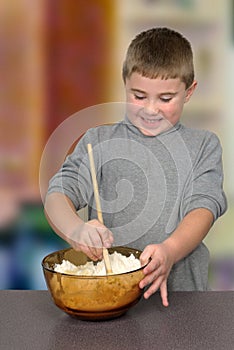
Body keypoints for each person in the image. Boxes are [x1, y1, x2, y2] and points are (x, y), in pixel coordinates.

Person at [44, 27, 227, 307]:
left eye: (166, 99)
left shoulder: (204, 145)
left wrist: (170, 250)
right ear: (125, 84)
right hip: (108, 300)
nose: (150, 109)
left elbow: (203, 208)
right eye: (139, 96)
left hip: (184, 301)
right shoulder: (98, 141)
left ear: (189, 92)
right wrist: (75, 229)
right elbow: (57, 194)